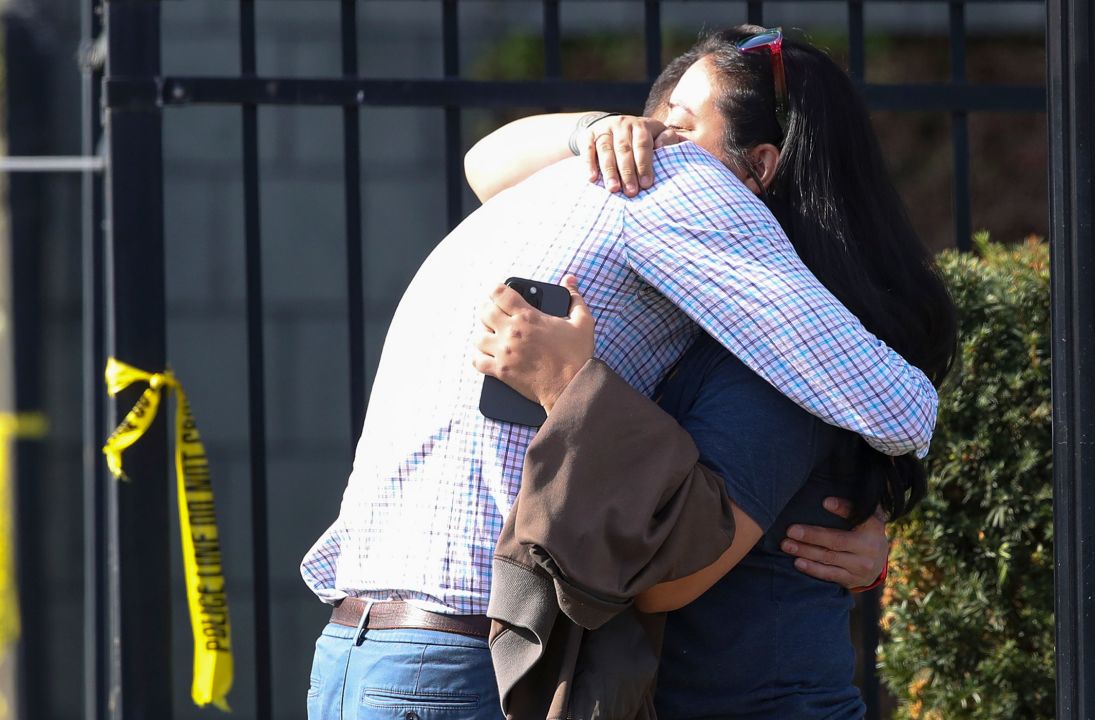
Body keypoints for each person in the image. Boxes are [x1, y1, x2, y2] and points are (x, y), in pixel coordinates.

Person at [302, 26, 938, 720]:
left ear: (763, 165)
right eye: (655, 123)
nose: (655, 138)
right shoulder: (685, 179)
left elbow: (482, 161)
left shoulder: (559, 186)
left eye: (680, 126)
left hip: (356, 643)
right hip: (462, 653)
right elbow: (899, 407)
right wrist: (568, 385)